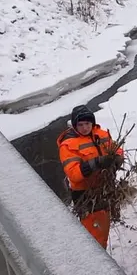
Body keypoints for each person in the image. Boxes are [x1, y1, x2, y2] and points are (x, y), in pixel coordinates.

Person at [58, 105, 124, 249]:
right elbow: (74, 174)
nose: (85, 128)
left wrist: (118, 158)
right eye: (80, 125)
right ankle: (96, 262)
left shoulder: (101, 135)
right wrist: (97, 162)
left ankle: (101, 256)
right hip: (85, 196)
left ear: (92, 122)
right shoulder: (68, 145)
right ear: (74, 125)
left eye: (87, 123)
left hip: (105, 189)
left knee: (103, 227)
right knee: (93, 234)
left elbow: (116, 149)